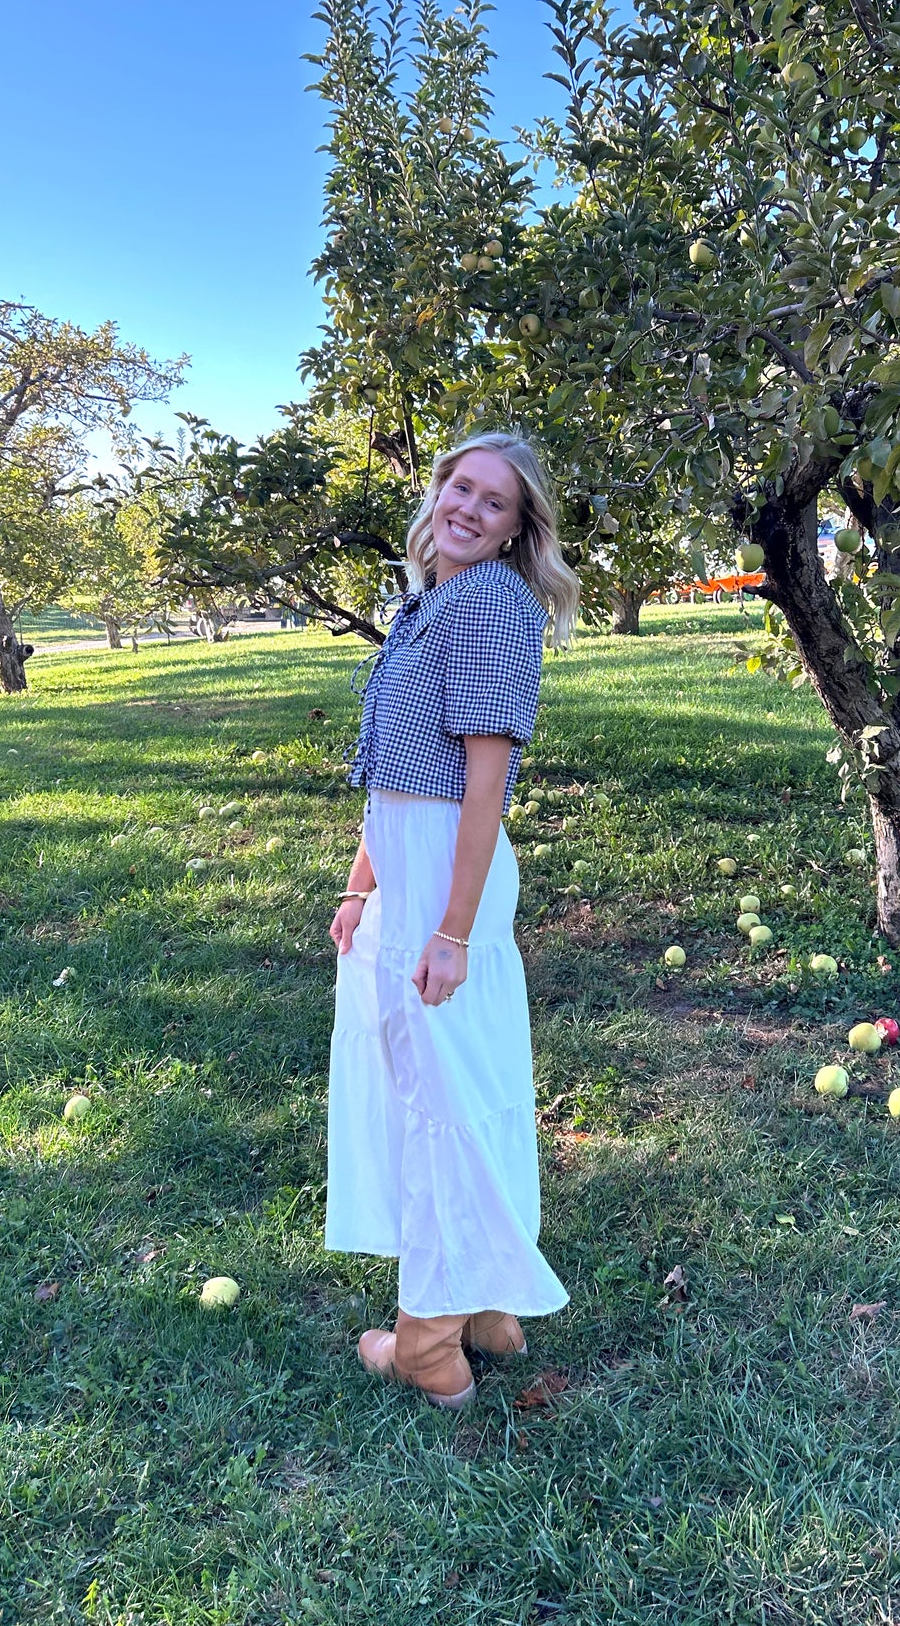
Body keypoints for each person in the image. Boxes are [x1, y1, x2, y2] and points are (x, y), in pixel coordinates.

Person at [327, 430, 581, 1409]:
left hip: (446, 876)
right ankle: (484, 1309)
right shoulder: (429, 602)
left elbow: (484, 785)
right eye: (458, 487)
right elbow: (392, 775)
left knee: (438, 1096)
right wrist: (360, 884)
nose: (467, 508)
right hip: (413, 867)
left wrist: (450, 928)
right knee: (456, 1084)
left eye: (494, 501)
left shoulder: (482, 602)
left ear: (519, 528)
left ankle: (430, 1340)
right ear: (436, 493)